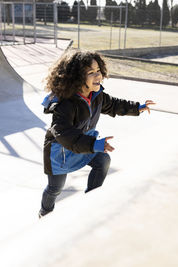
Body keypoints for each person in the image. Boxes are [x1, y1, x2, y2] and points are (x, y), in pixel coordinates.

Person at [39, 50, 155, 218]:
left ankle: (90, 201)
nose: (97, 76)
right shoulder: (66, 104)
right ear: (77, 78)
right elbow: (64, 134)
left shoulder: (96, 96)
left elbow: (114, 104)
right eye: (91, 73)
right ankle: (45, 212)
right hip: (60, 151)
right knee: (55, 188)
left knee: (103, 161)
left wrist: (137, 107)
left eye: (98, 71)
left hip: (83, 143)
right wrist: (93, 144)